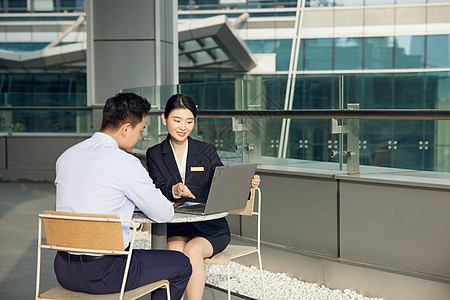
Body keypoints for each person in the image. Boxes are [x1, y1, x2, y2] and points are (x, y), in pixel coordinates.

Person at [54, 92, 192, 300]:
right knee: (181, 264)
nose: (140, 137)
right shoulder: (125, 163)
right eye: (140, 130)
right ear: (126, 128)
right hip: (104, 274)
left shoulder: (66, 156)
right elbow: (163, 213)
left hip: (64, 270)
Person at [146, 94, 261, 299]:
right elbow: (158, 186)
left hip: (211, 227)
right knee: (174, 250)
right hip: (177, 226)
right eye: (177, 120)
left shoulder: (206, 150)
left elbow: (223, 185)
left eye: (189, 121)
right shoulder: (154, 153)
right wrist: (175, 190)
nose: (183, 127)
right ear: (164, 119)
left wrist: (248, 184)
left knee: (192, 251)